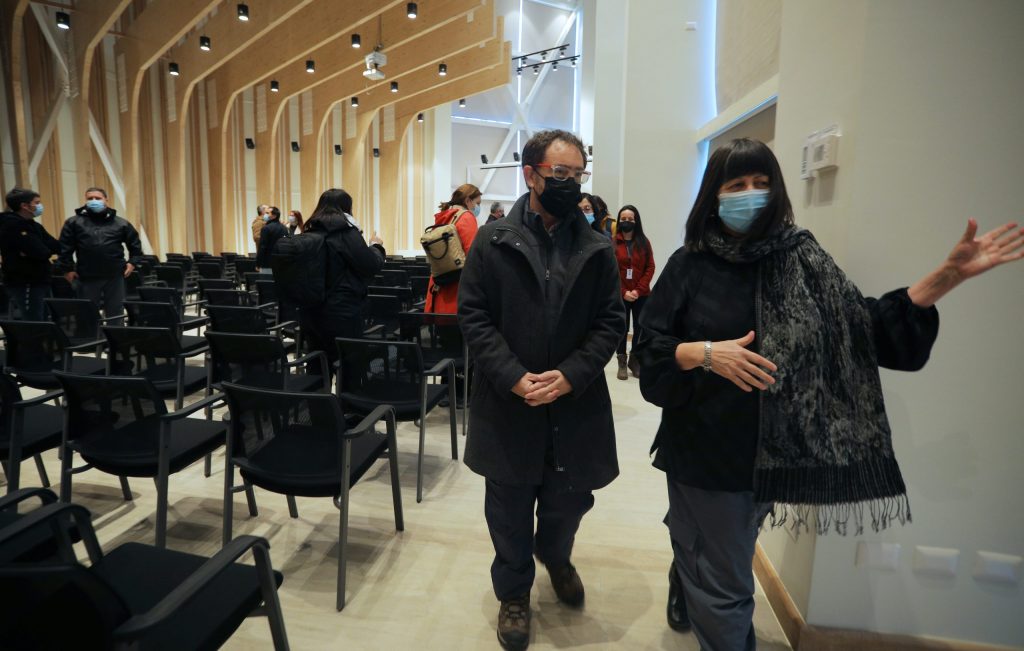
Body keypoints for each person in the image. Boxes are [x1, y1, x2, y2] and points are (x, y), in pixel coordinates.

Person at [633, 138, 1024, 651]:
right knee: (727, 589)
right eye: (736, 185)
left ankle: (691, 566)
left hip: (774, 456)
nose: (751, 194)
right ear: (714, 195)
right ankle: (699, 578)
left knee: (721, 550)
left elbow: (859, 329)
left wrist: (942, 280)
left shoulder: (801, 256)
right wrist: (705, 353)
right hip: (705, 451)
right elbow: (651, 350)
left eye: (761, 183)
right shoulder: (692, 264)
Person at [458, 129, 625, 651]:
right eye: (560, 174)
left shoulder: (597, 246)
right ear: (530, 174)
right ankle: (513, 593)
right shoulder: (493, 241)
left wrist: (571, 375)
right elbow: (474, 316)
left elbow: (610, 322)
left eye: (577, 174)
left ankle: (555, 555)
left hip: (573, 404)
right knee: (507, 509)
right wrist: (513, 375)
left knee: (568, 502)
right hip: (509, 403)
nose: (570, 184)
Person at [297, 189, 385, 372]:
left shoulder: (308, 232)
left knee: (317, 366)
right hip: (342, 312)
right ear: (346, 208)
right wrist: (376, 246)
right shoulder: (346, 233)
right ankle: (347, 401)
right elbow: (370, 265)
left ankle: (317, 400)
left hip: (310, 311)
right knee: (350, 368)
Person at [57, 187, 142, 324]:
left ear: (106, 200)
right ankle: (93, 342)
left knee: (115, 312)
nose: (94, 201)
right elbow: (65, 248)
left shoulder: (121, 223)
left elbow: (135, 246)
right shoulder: (73, 222)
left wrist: (132, 262)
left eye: (98, 198)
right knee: (88, 313)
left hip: (114, 275)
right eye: (90, 198)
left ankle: (116, 341)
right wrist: (67, 269)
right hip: (86, 276)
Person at [0, 188, 60, 320]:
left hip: (41, 280)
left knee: (44, 318)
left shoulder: (34, 225)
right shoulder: (11, 225)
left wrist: (40, 251)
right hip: (25, 281)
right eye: (36, 202)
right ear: (24, 206)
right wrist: (42, 251)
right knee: (32, 320)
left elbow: (56, 246)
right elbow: (41, 252)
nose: (39, 206)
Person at [612, 204, 655, 381]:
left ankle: (635, 360)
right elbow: (611, 270)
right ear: (619, 220)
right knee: (621, 328)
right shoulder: (612, 242)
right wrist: (623, 291)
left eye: (630, 219)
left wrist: (638, 290)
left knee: (640, 327)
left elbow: (650, 267)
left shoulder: (644, 242)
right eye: (623, 219)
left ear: (636, 221)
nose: (627, 222)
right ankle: (622, 361)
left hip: (641, 295)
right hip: (620, 294)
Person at [424, 183, 481, 314]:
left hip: (438, 291)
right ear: (468, 200)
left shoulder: (444, 217)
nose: (478, 207)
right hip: (457, 295)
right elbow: (472, 259)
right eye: (478, 203)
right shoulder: (467, 217)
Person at [256, 207, 287, 274]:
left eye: (267, 213)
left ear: (274, 216)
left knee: (266, 283)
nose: (265, 214)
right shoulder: (284, 228)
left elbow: (262, 247)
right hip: (281, 263)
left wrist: (258, 263)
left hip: (267, 264)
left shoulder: (266, 228)